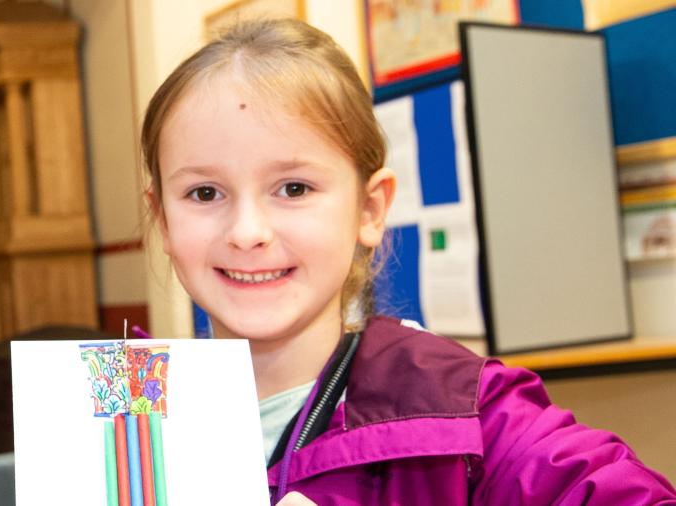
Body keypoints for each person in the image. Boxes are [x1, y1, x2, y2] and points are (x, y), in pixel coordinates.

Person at [138, 19, 676, 504]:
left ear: (369, 209)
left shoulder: (466, 414)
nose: (247, 232)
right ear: (163, 220)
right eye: (205, 194)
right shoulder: (117, 413)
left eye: (294, 187)